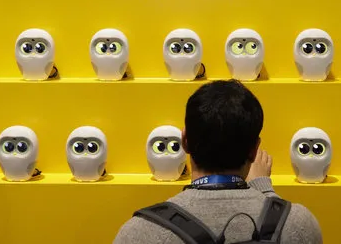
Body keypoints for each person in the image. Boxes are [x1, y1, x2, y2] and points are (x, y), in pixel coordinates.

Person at [114, 79, 322, 243]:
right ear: (254, 150)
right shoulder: (298, 224)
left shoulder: (141, 232)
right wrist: (265, 195)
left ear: (185, 142)